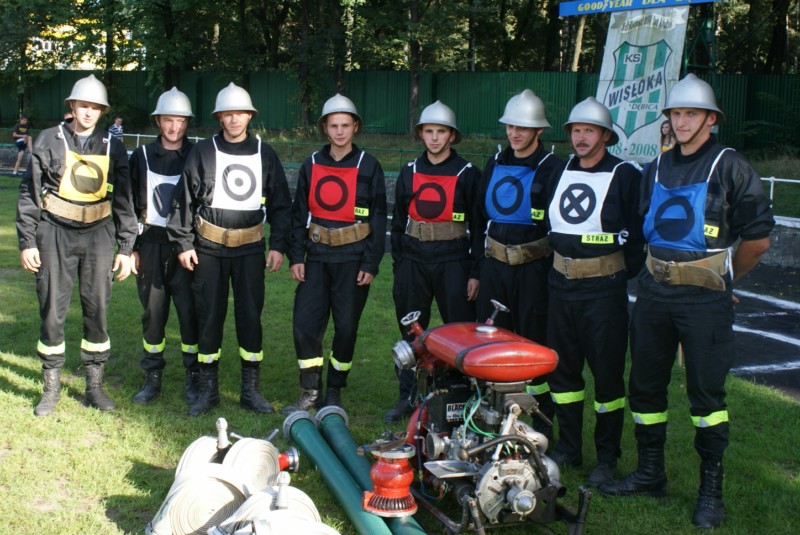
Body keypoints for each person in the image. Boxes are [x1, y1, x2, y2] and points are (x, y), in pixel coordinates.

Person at [599, 74, 775, 529]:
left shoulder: (730, 166)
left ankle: (710, 491)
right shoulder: (656, 167)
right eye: (676, 114)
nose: (681, 122)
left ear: (711, 119)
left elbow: (758, 241)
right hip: (654, 295)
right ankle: (650, 474)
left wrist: (723, 279)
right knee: (645, 388)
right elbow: (641, 229)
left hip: (704, 301)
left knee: (706, 396)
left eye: (691, 114)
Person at [168, 82, 292, 417]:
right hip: (208, 249)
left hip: (250, 250)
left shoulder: (265, 153)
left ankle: (250, 390)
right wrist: (183, 243)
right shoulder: (203, 152)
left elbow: (282, 205)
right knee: (209, 316)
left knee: (250, 316)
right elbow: (183, 199)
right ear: (219, 117)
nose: (234, 119)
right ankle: (208, 390)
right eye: (228, 114)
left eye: (240, 113)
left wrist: (278, 245)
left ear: (250, 116)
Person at [16, 74, 137, 416]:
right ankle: (51, 387)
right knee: (52, 309)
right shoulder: (47, 139)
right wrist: (27, 241)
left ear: (102, 111)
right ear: (72, 106)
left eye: (95, 107)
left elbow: (124, 199)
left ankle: (94, 386)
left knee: (97, 309)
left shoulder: (113, 145)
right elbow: (29, 192)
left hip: (99, 234)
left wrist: (125, 248)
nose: (89, 112)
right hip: (54, 232)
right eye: (83, 105)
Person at [545, 97, 645, 487]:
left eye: (589, 131)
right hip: (560, 288)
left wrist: (611, 271)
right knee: (564, 372)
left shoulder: (625, 174)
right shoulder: (560, 169)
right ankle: (569, 446)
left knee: (607, 377)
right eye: (576, 130)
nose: (581, 138)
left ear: (605, 135)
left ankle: (606, 457)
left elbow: (637, 237)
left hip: (603, 293)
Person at [281, 94, 386, 414]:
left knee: (346, 328)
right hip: (316, 259)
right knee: (305, 325)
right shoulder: (311, 164)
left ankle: (335, 390)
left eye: (345, 125)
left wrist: (371, 263)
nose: (340, 131)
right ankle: (311, 389)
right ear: (325, 128)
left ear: (355, 127)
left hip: (353, 261)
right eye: (333, 125)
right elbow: (299, 215)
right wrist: (296, 256)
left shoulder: (369, 165)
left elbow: (378, 219)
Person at [384, 101, 482, 423]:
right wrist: (400, 263)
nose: (435, 138)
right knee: (411, 332)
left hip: (453, 259)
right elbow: (399, 222)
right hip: (414, 259)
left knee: (459, 330)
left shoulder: (468, 173)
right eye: (429, 131)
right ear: (421, 134)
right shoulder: (410, 171)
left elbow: (479, 226)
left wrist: (475, 272)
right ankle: (408, 396)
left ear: (452, 135)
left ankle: (462, 394)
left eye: (441, 131)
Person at [477, 89, 562, 433]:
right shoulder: (495, 162)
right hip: (494, 267)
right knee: (490, 342)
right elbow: (479, 218)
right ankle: (489, 418)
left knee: (533, 346)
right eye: (511, 126)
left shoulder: (553, 167)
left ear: (538, 130)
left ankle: (540, 424)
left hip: (533, 271)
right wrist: (476, 271)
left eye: (523, 128)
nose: (514, 133)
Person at [129, 88, 199, 405]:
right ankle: (152, 375)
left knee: (189, 312)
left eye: (180, 121)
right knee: (153, 314)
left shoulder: (197, 154)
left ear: (187, 123)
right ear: (158, 121)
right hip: (151, 245)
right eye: (168, 120)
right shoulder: (141, 156)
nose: (174, 127)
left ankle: (193, 375)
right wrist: (130, 248)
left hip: (186, 246)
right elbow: (128, 204)